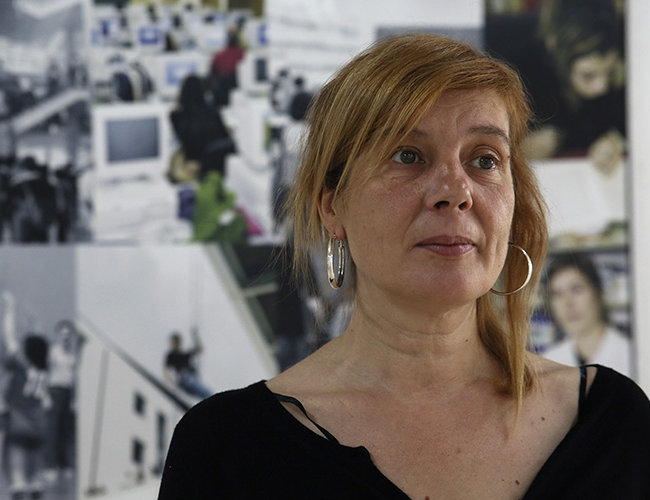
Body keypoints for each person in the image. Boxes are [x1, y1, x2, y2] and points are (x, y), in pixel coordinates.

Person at [158, 34, 650, 499]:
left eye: (484, 160)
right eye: (407, 155)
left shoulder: (612, 424)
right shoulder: (228, 447)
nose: (455, 191)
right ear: (332, 207)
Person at [486, 0, 625, 173]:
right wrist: (516, 149)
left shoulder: (625, 47)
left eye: (610, 72)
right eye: (588, 76)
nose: (601, 87)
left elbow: (617, 120)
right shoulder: (512, 64)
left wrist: (615, 139)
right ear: (554, 47)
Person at [542, 252, 631, 375]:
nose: (568, 303)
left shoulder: (630, 355)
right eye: (557, 294)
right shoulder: (550, 361)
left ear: (598, 292)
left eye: (576, 289)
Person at [1, 291, 52, 500]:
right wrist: (35, 322)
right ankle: (36, 482)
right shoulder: (46, 367)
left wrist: (10, 308)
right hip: (39, 418)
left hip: (19, 417)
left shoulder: (22, 364)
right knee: (36, 453)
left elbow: (9, 337)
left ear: (26, 350)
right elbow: (41, 344)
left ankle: (19, 483)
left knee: (17, 451)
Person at [43, 319, 84, 482]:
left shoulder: (72, 353)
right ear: (58, 335)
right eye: (63, 334)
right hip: (55, 390)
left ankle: (64, 464)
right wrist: (46, 395)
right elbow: (46, 373)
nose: (66, 337)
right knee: (52, 430)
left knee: (65, 431)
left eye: (68, 335)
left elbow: (74, 376)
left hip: (67, 392)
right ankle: (50, 466)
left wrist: (74, 399)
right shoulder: (53, 352)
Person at [164, 329, 212, 400]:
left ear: (179, 342)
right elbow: (166, 371)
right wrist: (172, 383)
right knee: (206, 393)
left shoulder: (184, 354)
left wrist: (195, 335)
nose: (174, 344)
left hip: (192, 377)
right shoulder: (171, 355)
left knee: (204, 393)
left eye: (175, 342)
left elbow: (200, 349)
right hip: (185, 378)